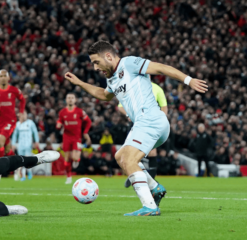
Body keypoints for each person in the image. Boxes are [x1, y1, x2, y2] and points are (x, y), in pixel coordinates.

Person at [64, 40, 207, 216]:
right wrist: (80, 83)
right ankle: (155, 188)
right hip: (143, 123)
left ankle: (150, 206)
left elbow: (160, 68)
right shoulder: (112, 78)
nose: (95, 68)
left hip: (151, 119)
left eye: (96, 62)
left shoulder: (129, 63)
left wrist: (188, 80)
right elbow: (103, 94)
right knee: (120, 157)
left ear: (108, 56)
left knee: (130, 161)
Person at [119, 81, 167, 180]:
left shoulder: (157, 88)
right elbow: (120, 106)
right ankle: (134, 172)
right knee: (131, 151)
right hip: (136, 123)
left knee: (152, 152)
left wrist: (160, 121)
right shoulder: (132, 87)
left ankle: (151, 180)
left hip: (151, 124)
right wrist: (129, 114)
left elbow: (164, 107)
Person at [56, 93, 91, 184]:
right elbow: (59, 123)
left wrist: (85, 132)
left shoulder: (79, 111)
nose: (70, 99)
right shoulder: (62, 112)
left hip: (76, 138)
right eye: (69, 98)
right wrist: (58, 126)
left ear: (75, 100)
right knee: (66, 158)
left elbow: (88, 121)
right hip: (66, 137)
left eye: (72, 98)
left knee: (75, 157)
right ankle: (68, 177)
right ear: (66, 100)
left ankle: (77, 159)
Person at [11, 110, 39, 181]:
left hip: (28, 144)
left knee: (27, 159)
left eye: (25, 114)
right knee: (22, 160)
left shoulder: (30, 123)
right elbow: (15, 135)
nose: (23, 115)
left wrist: (37, 141)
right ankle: (23, 175)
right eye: (22, 114)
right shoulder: (18, 124)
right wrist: (13, 143)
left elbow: (35, 132)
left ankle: (29, 173)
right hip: (21, 145)